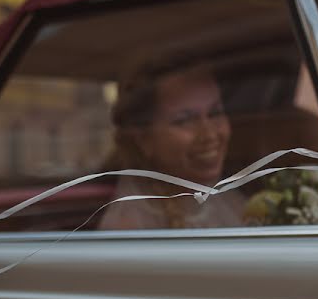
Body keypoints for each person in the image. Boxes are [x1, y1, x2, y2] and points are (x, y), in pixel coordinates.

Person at [98, 63, 245, 230]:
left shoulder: (227, 199)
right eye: (185, 120)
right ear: (144, 140)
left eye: (215, 113)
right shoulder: (129, 225)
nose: (210, 135)